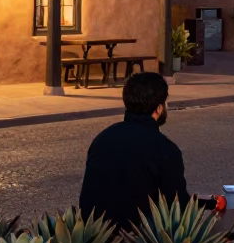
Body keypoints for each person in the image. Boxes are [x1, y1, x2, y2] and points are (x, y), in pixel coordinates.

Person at [78, 71, 189, 231]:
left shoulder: (103, 138)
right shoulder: (165, 149)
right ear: (159, 108)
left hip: (95, 241)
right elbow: (178, 206)